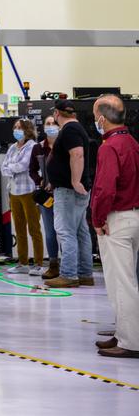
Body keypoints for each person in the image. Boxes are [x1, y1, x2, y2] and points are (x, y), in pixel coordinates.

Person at [90, 95, 139, 358]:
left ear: (101, 118)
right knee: (127, 279)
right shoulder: (131, 142)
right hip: (133, 216)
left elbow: (105, 188)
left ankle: (130, 342)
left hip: (116, 220)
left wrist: (98, 219)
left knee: (121, 283)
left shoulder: (109, 147)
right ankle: (124, 333)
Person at [45, 100, 94, 288]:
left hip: (69, 191)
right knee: (81, 232)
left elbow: (77, 155)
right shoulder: (77, 128)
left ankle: (69, 275)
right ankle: (84, 273)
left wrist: (74, 181)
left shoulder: (70, 130)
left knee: (66, 232)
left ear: (57, 113)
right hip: (70, 188)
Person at [2, 119, 44, 275]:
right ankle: (23, 262)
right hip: (14, 191)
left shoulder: (32, 146)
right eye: (15, 128)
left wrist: (11, 168)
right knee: (19, 229)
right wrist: (12, 168)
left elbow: (23, 165)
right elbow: (3, 167)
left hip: (29, 191)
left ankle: (39, 263)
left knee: (34, 228)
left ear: (27, 130)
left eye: (20, 128)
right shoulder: (12, 147)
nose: (16, 130)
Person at [30, 120, 61, 280]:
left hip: (63, 193)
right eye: (47, 123)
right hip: (45, 195)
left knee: (66, 232)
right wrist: (39, 181)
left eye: (53, 123)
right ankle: (53, 264)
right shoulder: (38, 147)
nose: (50, 126)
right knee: (50, 232)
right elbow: (32, 169)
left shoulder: (64, 145)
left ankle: (70, 265)